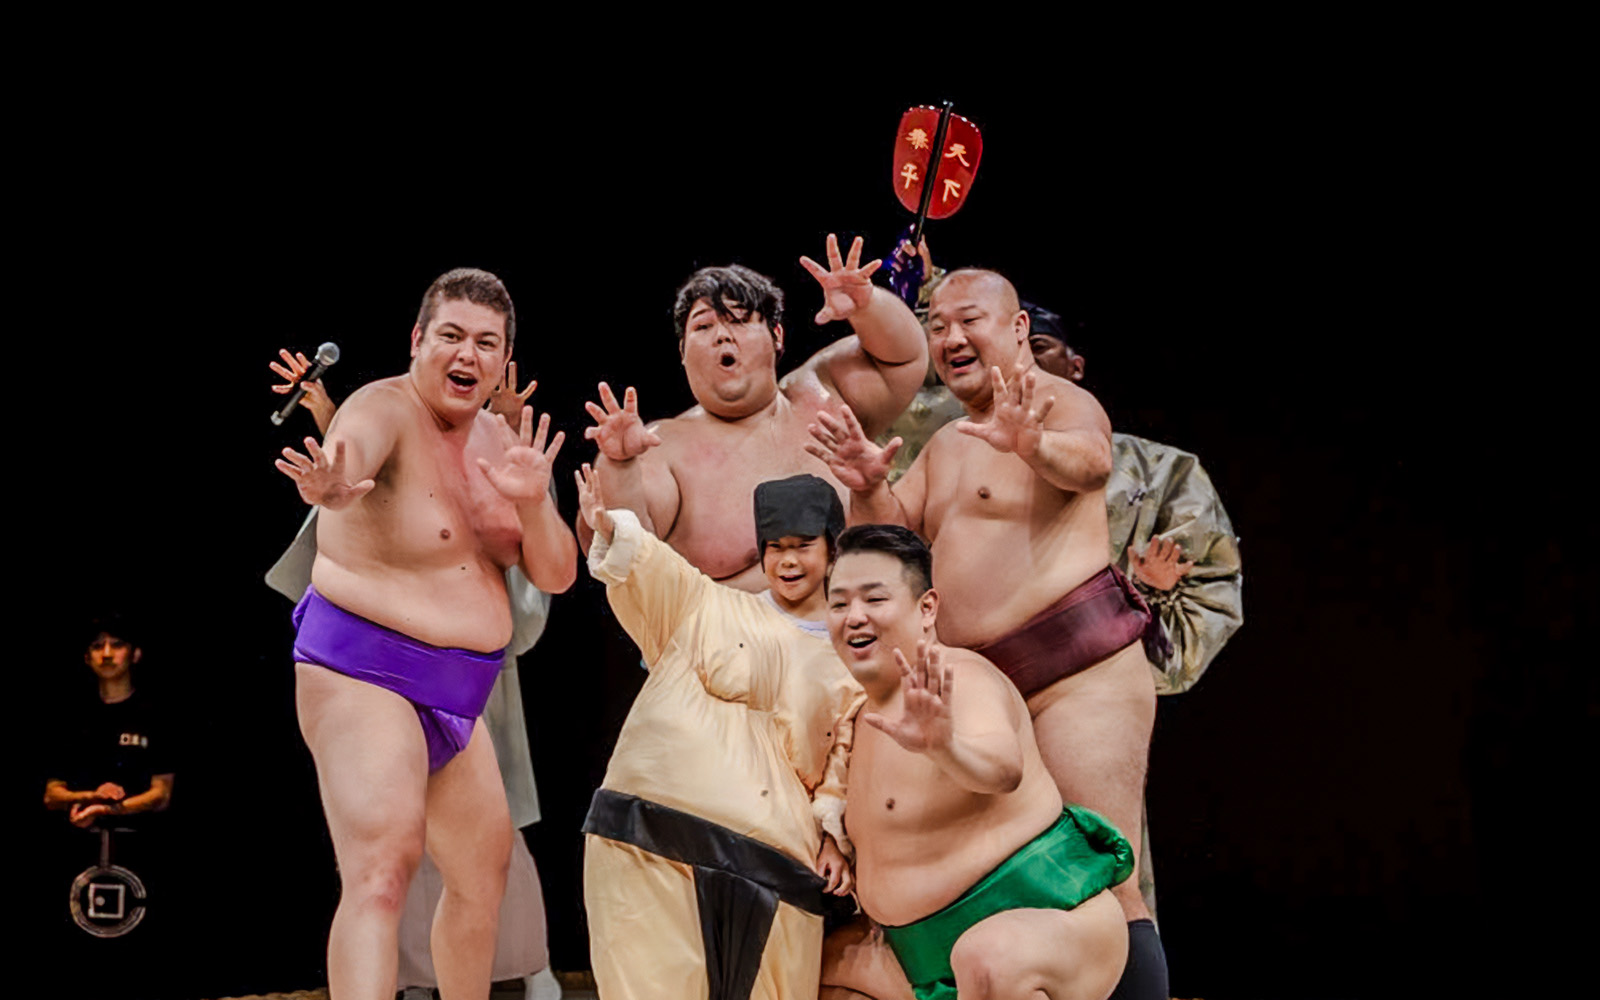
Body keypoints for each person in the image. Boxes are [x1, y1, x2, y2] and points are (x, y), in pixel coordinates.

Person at [807, 269, 1168, 999]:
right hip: (977, 691)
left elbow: (1091, 464)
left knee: (1096, 874)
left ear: (1015, 331)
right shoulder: (944, 442)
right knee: (1012, 878)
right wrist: (866, 482)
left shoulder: (1059, 401)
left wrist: (1032, 443)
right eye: (935, 324)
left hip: (1075, 674)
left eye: (966, 319)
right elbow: (888, 538)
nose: (948, 337)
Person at [272, 268, 578, 1000]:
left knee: (482, 875)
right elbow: (350, 455)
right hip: (364, 668)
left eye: (486, 343)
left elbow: (558, 573)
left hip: (459, 693)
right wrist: (334, 486)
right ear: (418, 340)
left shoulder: (503, 440)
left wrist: (535, 505)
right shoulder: (382, 406)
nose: (466, 355)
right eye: (450, 336)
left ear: (505, 361)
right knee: (382, 868)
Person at [575, 467, 865, 1000]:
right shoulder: (705, 605)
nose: (788, 560)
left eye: (803, 545)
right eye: (775, 547)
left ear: (833, 548)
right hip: (649, 835)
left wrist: (835, 839)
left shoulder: (854, 657)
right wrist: (612, 526)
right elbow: (649, 566)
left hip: (773, 860)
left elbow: (847, 751)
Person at [821, 525, 1132, 1000]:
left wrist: (945, 747)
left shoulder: (960, 677)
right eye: (839, 604)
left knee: (984, 958)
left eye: (873, 599)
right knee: (807, 958)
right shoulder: (861, 717)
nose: (854, 617)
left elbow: (1002, 769)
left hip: (1041, 923)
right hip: (915, 956)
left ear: (926, 608)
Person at [581, 234, 926, 591]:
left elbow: (905, 359)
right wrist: (619, 468)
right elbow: (628, 562)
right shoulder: (661, 447)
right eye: (703, 326)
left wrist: (867, 305)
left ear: (777, 335)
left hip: (859, 628)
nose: (722, 336)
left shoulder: (824, 391)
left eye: (740, 320)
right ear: (682, 352)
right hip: (732, 642)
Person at [44, 616, 174, 829]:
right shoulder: (70, 716)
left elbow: (162, 794)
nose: (106, 654)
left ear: (135, 654)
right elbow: (52, 795)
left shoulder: (156, 715)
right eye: (97, 647)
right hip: (80, 843)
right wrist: (92, 796)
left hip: (143, 841)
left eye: (117, 645)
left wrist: (108, 808)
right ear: (87, 657)